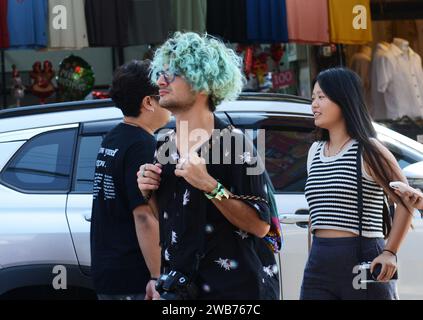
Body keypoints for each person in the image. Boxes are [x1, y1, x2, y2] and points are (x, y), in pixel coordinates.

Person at [137, 32, 280, 300]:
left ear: (203, 81)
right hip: (180, 289)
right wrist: (148, 192)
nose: (160, 80)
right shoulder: (164, 145)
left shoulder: (234, 144)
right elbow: (169, 216)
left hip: (234, 291)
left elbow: (261, 226)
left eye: (174, 73)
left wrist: (210, 186)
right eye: (160, 72)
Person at [301, 67, 414, 300]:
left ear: (344, 99)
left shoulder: (369, 150)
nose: (314, 105)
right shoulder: (314, 152)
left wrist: (390, 252)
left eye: (321, 97)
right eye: (313, 98)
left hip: (362, 257)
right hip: (319, 262)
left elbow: (406, 202)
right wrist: (312, 256)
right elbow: (316, 213)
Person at [90, 60, 171, 300]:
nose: (168, 101)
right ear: (148, 102)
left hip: (110, 272)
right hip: (134, 276)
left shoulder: (114, 137)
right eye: (163, 94)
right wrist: (157, 278)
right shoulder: (141, 146)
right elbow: (144, 215)